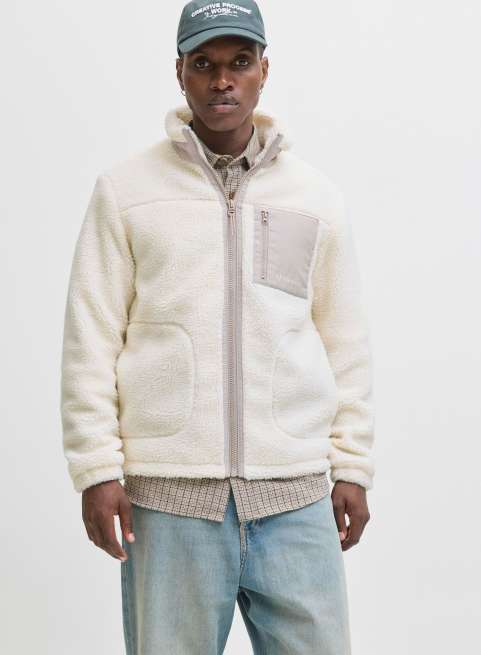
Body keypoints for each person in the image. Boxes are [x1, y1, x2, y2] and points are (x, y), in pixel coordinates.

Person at [60, 1, 376, 652]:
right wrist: (95, 469)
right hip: (168, 501)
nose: (222, 80)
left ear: (264, 70)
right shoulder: (126, 192)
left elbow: (343, 341)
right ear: (179, 72)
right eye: (203, 63)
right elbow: (91, 338)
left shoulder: (314, 198)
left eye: (239, 62)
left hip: (294, 496)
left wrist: (352, 465)